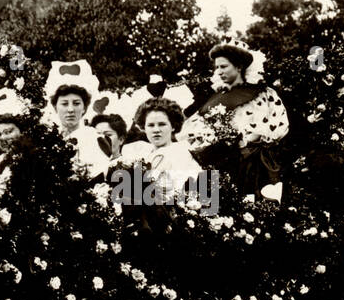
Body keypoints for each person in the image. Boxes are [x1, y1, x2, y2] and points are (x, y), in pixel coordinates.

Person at [185, 40, 289, 199]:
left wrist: (249, 139)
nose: (219, 72)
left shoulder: (263, 94)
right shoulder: (214, 99)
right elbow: (194, 130)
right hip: (220, 163)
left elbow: (279, 124)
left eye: (224, 66)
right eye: (217, 67)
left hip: (253, 164)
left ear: (239, 66)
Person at [118, 97, 202, 205]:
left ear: (173, 126)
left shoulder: (181, 153)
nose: (156, 130)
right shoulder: (138, 150)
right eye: (151, 125)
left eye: (162, 124)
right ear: (144, 128)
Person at [43, 60, 108, 179]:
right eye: (64, 104)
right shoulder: (47, 141)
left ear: (84, 108)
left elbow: (102, 173)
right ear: (55, 107)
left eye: (76, 103)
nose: (70, 109)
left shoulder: (94, 138)